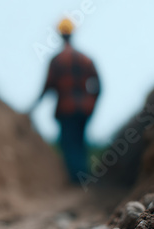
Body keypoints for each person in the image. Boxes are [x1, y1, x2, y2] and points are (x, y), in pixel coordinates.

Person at [32, 18, 101, 184]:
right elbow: (99, 86)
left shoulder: (57, 61)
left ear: (60, 35)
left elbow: (47, 87)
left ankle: (76, 180)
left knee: (69, 144)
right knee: (80, 141)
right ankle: (83, 176)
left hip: (66, 109)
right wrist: (92, 104)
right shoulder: (86, 59)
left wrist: (33, 107)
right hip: (84, 109)